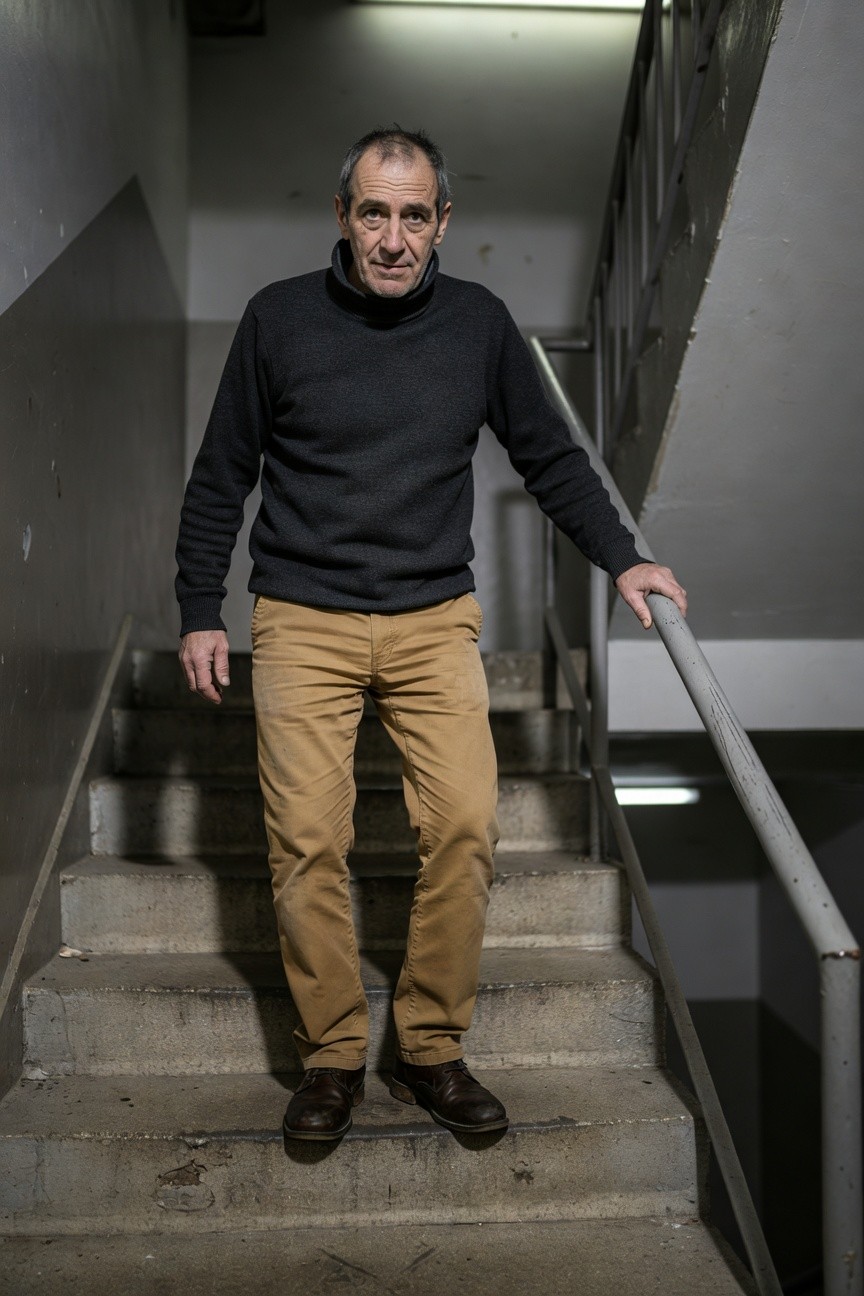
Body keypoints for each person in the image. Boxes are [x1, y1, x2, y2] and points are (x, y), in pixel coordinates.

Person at [175, 127, 687, 1144]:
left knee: (463, 826)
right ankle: (330, 1059)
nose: (394, 237)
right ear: (343, 216)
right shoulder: (277, 320)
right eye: (375, 212)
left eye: (415, 215)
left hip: (431, 619)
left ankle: (429, 1048)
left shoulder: (480, 326)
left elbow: (553, 459)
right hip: (302, 617)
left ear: (443, 221)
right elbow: (221, 475)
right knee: (308, 843)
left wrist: (624, 555)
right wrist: (200, 607)